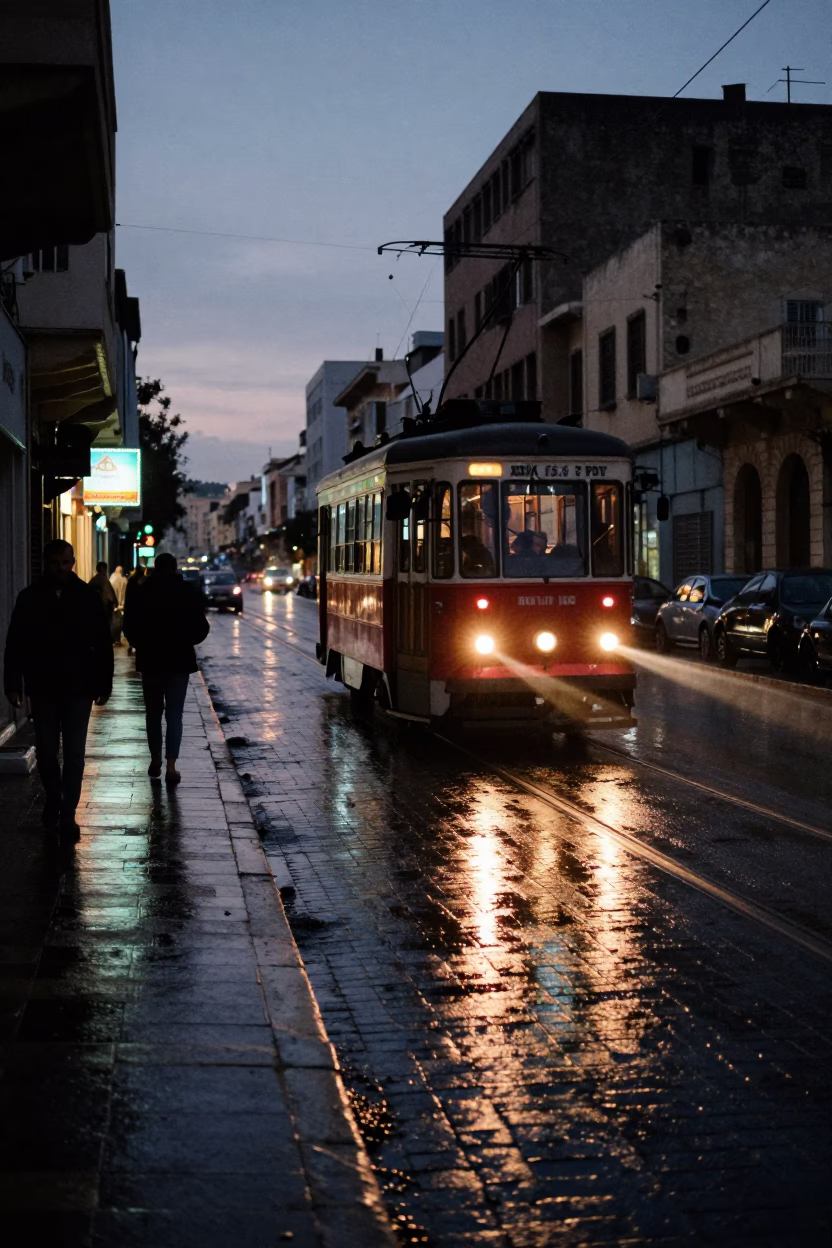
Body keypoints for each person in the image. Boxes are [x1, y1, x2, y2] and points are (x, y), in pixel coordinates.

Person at [3, 538, 113, 833]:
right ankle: (55, 797)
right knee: (48, 751)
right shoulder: (29, 598)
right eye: (55, 563)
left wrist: (104, 682)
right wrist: (13, 682)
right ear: (46, 563)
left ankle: (68, 812)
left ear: (72, 562)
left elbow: (102, 642)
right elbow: (15, 642)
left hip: (79, 686)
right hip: (44, 686)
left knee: (75, 753)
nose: (61, 568)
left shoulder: (87, 597)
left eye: (65, 563)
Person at [123, 552, 209, 785]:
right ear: (174, 568)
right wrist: (185, 640)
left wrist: (140, 643)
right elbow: (202, 628)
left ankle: (155, 760)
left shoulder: (142, 591)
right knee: (174, 714)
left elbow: (129, 624)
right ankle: (171, 766)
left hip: (151, 660)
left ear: (155, 567)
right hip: (179, 661)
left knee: (152, 713)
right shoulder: (187, 592)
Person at [124, 564, 146, 655]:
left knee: (131, 628)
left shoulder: (131, 580)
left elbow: (128, 596)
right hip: (141, 610)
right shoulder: (145, 580)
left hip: (132, 609)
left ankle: (132, 644)